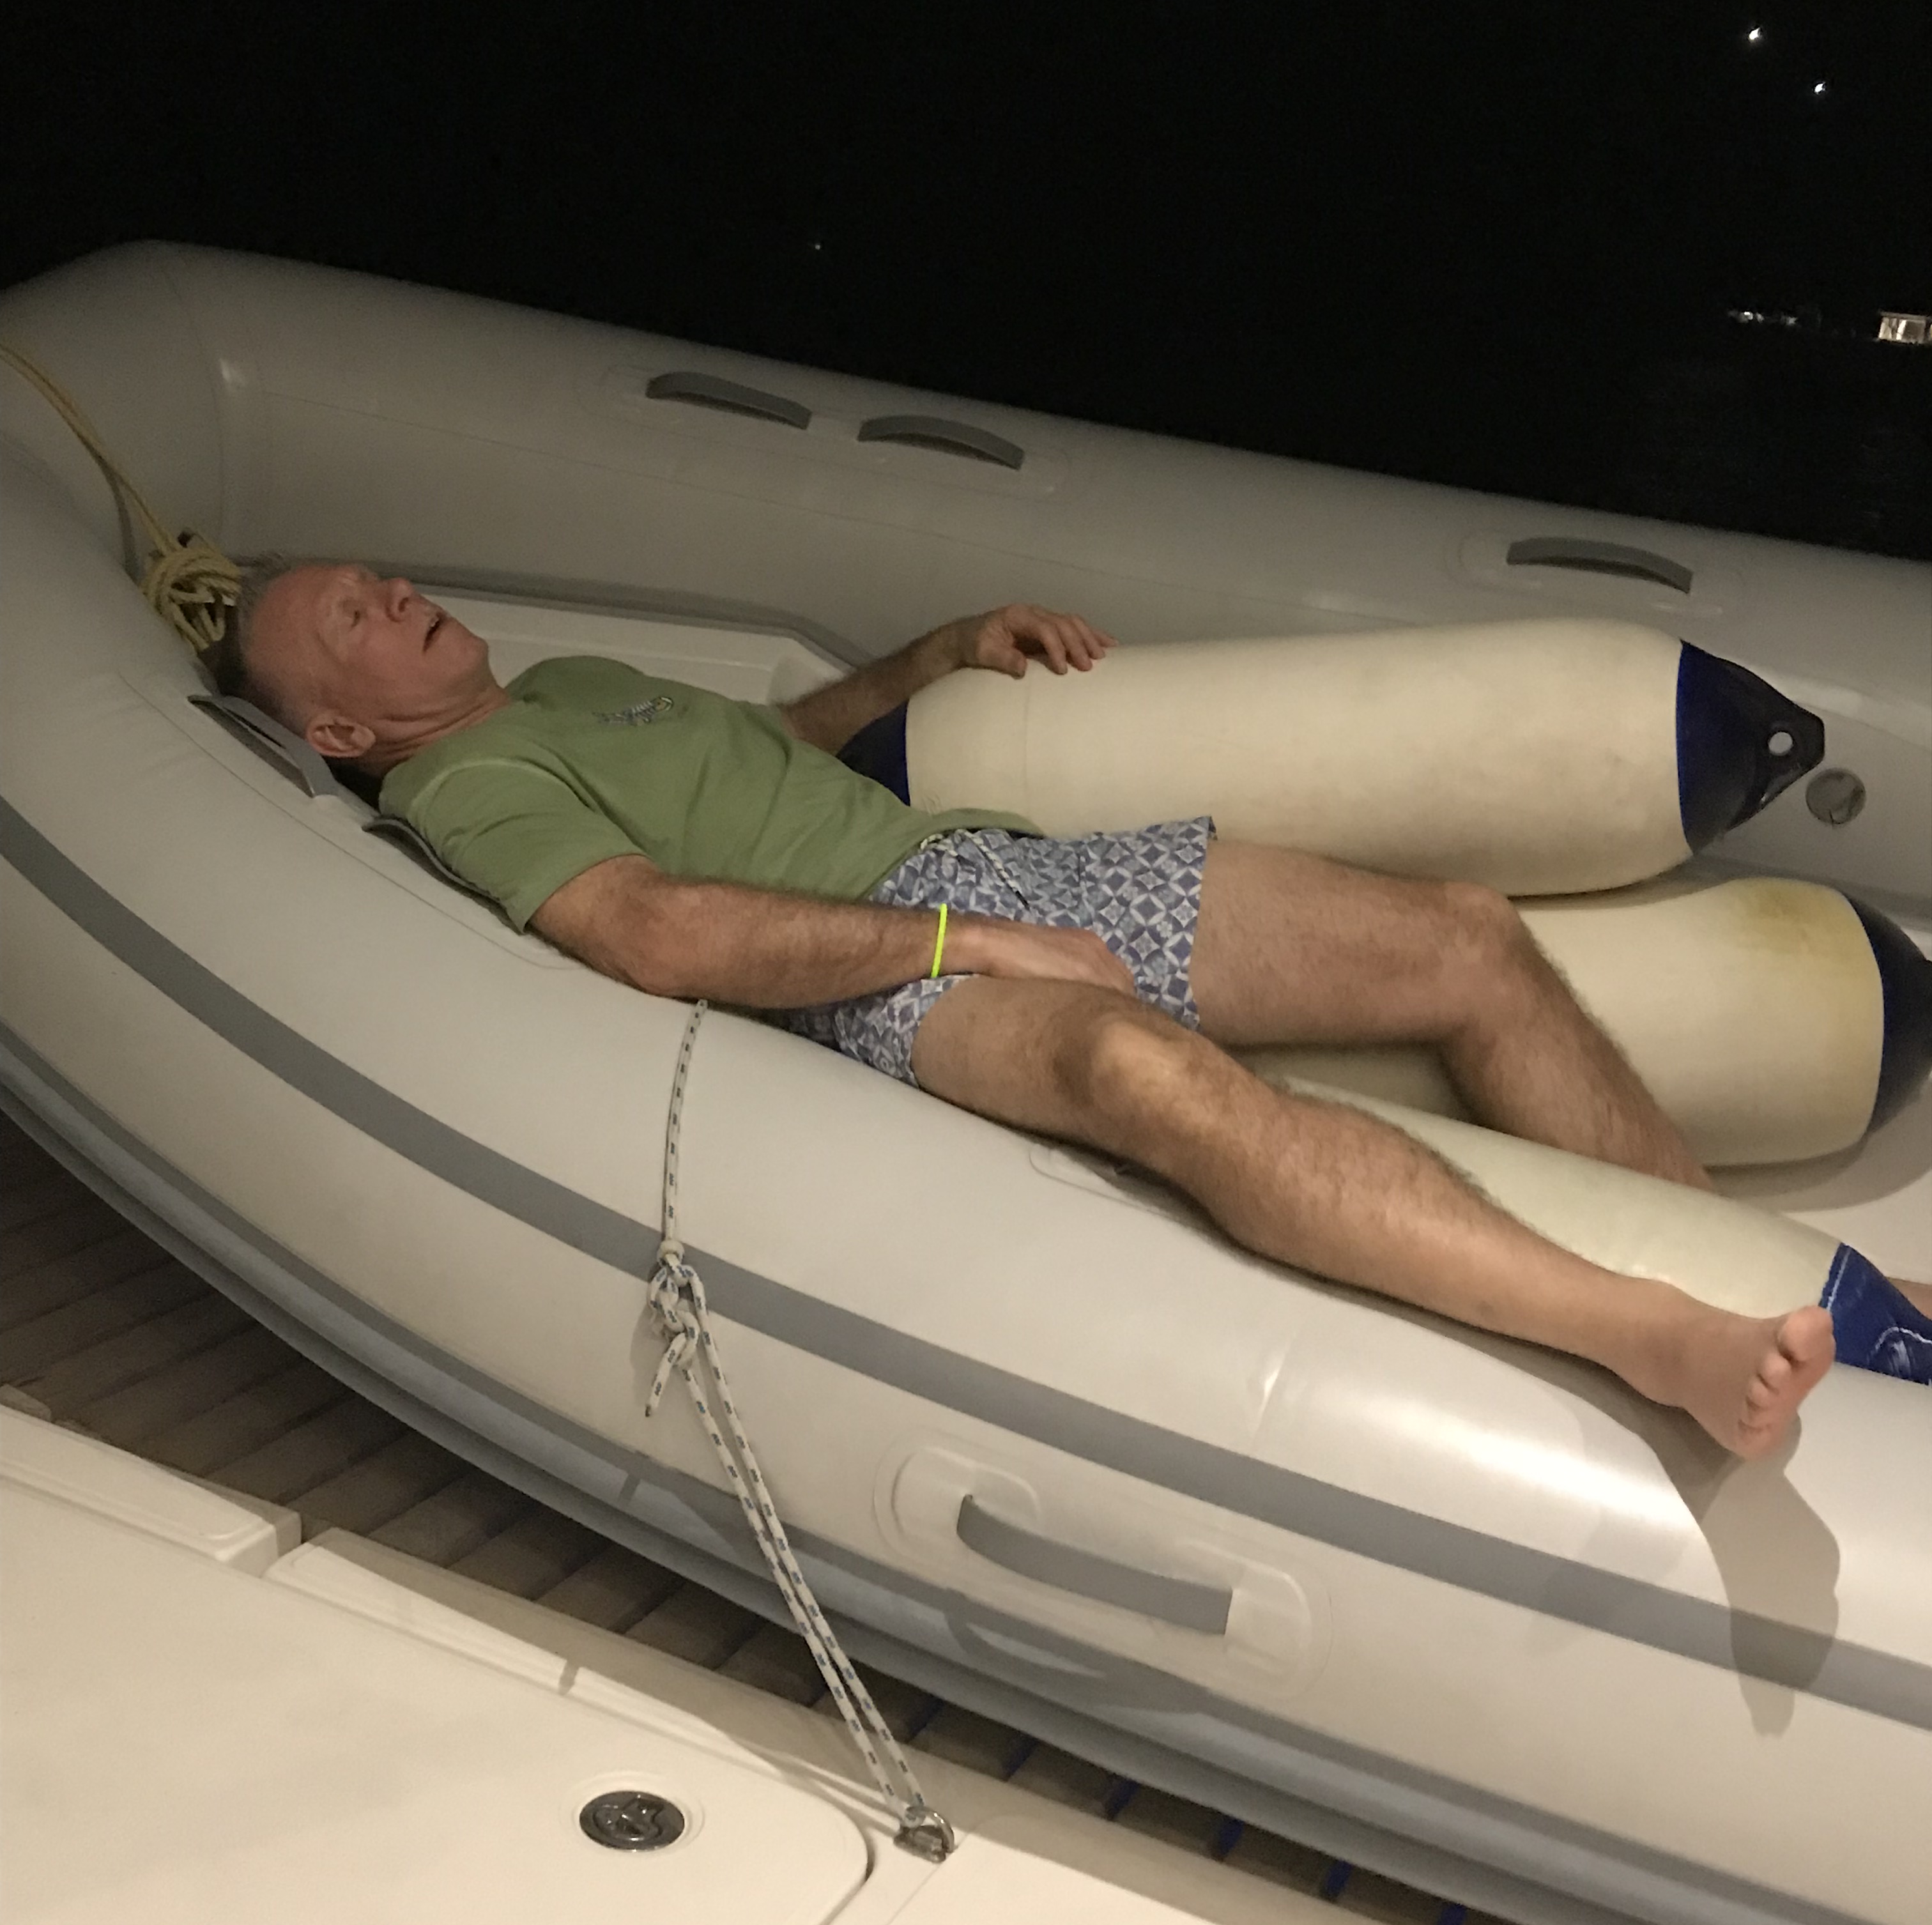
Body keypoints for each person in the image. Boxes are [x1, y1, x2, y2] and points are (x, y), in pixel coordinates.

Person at [210, 556, 1874, 1459]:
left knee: (1462, 936)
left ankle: (1761, 1276)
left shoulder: (568, 688)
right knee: (1146, 1076)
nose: (390, 592)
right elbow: (649, 928)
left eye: (374, 578)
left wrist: (934, 652)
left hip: (994, 868)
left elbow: (767, 756)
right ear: (344, 732)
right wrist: (967, 942)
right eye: (350, 618)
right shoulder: (462, 783)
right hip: (879, 969)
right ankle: (1650, 1333)